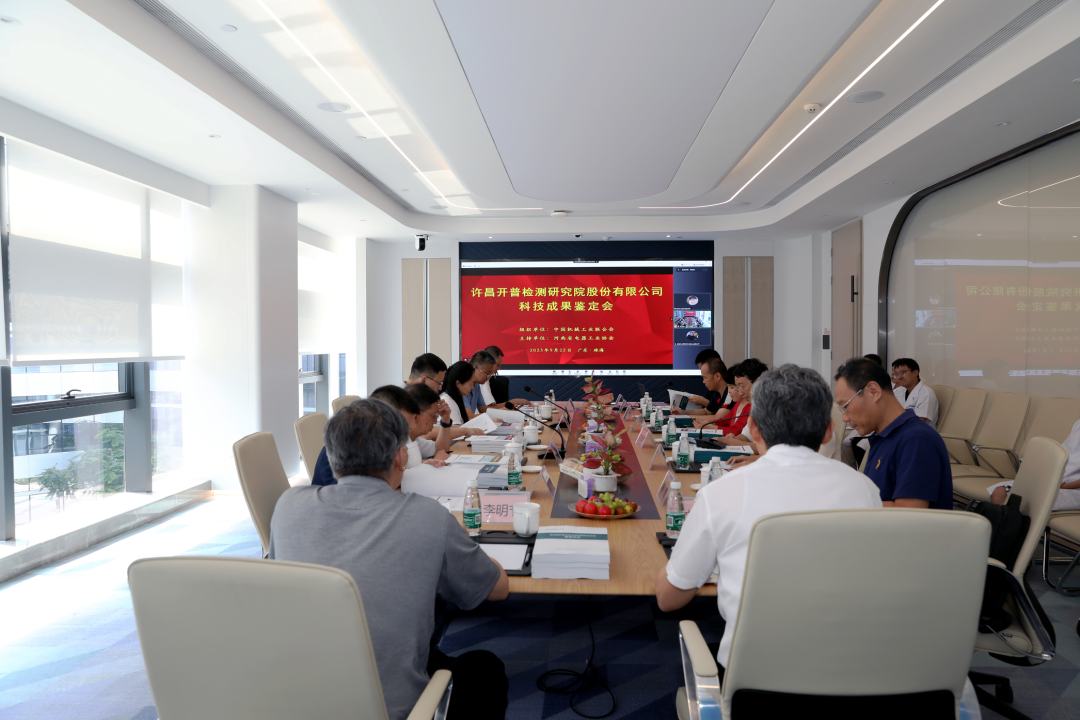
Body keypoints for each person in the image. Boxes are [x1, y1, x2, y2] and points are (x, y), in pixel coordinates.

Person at [269, 399, 510, 720]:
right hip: (393, 709)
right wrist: (462, 540)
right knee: (484, 668)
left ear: (331, 455)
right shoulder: (429, 517)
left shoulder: (288, 506)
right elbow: (498, 590)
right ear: (400, 456)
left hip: (294, 701)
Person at [655, 364, 882, 670]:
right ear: (829, 429)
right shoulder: (864, 490)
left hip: (754, 680)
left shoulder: (721, 493)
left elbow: (669, 599)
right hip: (851, 673)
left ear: (754, 429)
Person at [834, 357, 952, 509]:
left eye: (845, 406)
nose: (844, 418)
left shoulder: (916, 440)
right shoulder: (882, 437)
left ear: (873, 392)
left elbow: (909, 513)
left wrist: (845, 505)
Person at [310, 386, 450, 487]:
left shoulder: (377, 441)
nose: (403, 436)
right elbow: (360, 494)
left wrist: (421, 468)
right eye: (397, 428)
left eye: (405, 428)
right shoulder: (346, 446)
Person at [988, 417, 1080, 511]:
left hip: (1073, 489)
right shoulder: (1078, 424)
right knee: (1000, 491)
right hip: (1057, 481)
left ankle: (1012, 520)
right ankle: (1004, 519)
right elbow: (1064, 454)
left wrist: (1063, 486)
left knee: (1025, 497)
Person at [694, 358, 768, 445]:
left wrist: (730, 441)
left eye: (742, 386)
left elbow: (764, 448)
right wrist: (734, 438)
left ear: (757, 382)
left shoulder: (771, 410)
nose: (740, 392)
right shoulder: (757, 408)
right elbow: (746, 435)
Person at [891, 357, 938, 425]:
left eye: (903, 372)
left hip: (918, 431)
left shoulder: (926, 394)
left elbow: (918, 424)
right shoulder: (897, 392)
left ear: (915, 373)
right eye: (896, 374)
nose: (899, 377)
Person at [441, 360, 477, 426]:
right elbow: (455, 429)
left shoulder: (456, 397)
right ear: (458, 383)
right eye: (471, 383)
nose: (472, 387)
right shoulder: (448, 401)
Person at [462, 351, 497, 418]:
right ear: (475, 369)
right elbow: (469, 417)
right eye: (487, 373)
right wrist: (491, 420)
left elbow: (484, 410)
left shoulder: (476, 385)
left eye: (491, 374)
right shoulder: (462, 385)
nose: (489, 377)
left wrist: (505, 411)